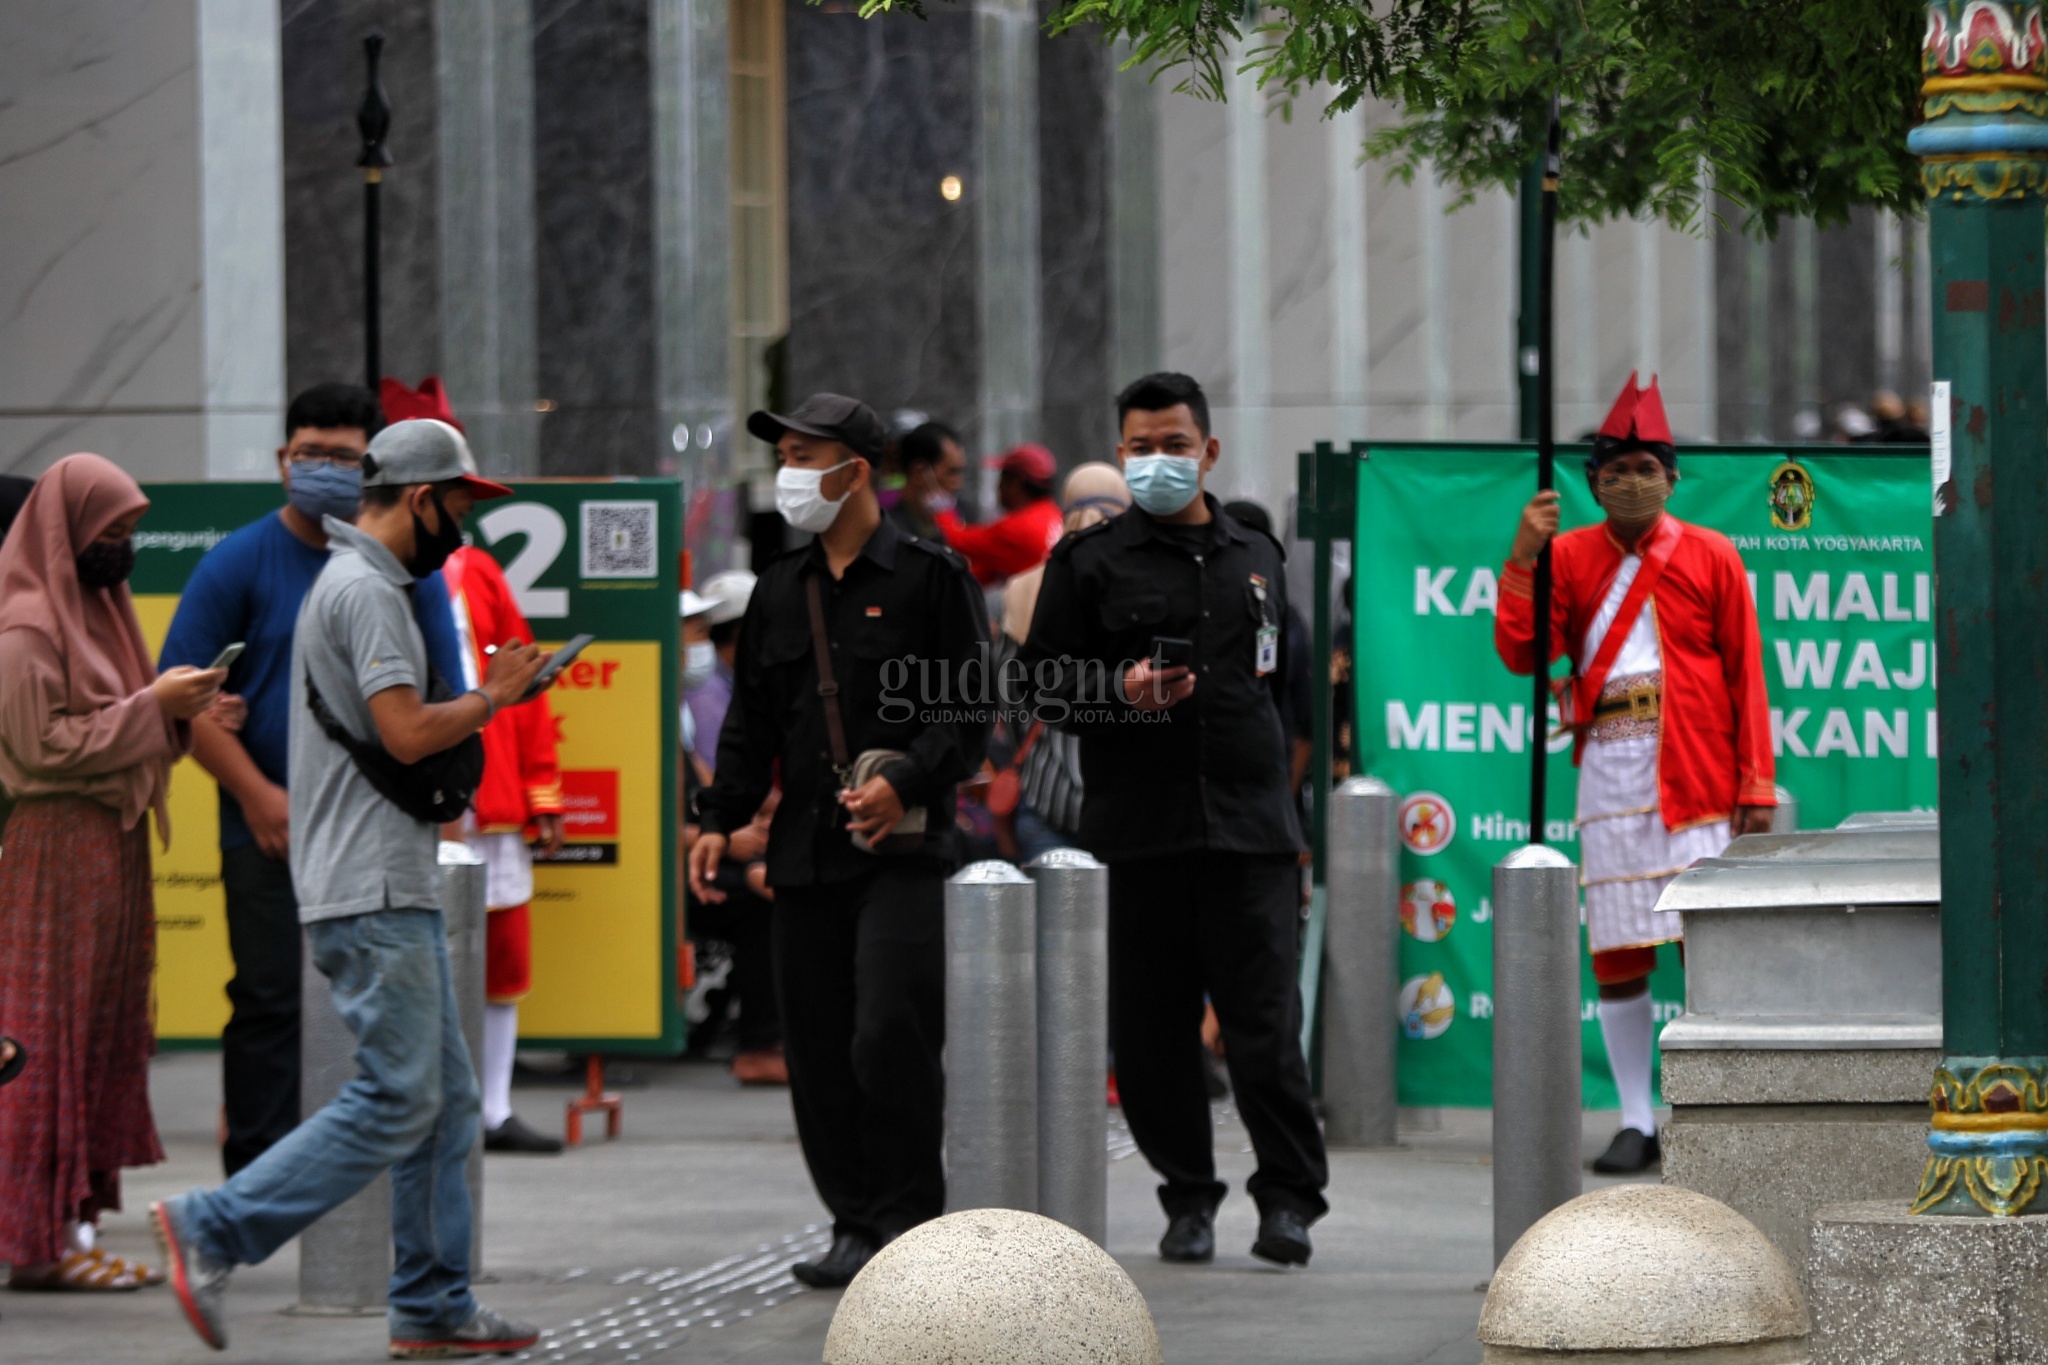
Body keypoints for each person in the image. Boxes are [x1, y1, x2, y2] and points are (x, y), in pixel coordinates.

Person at [152, 419, 547, 1357]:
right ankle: (215, 1223)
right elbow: (408, 733)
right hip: (368, 882)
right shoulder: (368, 589)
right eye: (459, 503)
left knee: (444, 1101)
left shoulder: (363, 580)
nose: (464, 523)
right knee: (404, 1095)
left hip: (376, 875)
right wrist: (500, 697)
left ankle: (433, 1304)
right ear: (421, 499)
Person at [1020, 372, 1328, 1268]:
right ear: (1121, 452)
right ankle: (1187, 1197)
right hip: (1138, 834)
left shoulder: (1257, 554)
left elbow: (1286, 689)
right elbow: (1039, 682)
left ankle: (1289, 1201)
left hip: (1252, 836)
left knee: (1264, 1025)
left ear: (1210, 450)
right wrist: (1116, 690)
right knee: (1151, 1035)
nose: (1159, 460)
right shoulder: (1088, 562)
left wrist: (1289, 808)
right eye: (1142, 446)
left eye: (1175, 444)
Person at [689, 392, 990, 1288]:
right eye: (780, 455)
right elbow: (750, 725)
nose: (787, 473)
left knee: (887, 1029)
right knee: (816, 1049)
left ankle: (906, 1223)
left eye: (803, 454)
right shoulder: (782, 586)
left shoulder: (933, 577)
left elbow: (969, 711)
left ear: (856, 470)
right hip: (804, 854)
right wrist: (718, 820)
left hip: (902, 853)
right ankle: (854, 1222)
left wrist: (903, 779)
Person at [158, 383, 469, 1177]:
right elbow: (180, 701)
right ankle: (256, 1171)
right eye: (309, 453)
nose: (323, 469)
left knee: (385, 1031)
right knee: (268, 1001)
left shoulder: (411, 573)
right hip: (266, 825)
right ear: (280, 460)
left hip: (375, 833)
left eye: (341, 456)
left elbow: (440, 699)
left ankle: (343, 1200)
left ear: (371, 470)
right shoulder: (237, 561)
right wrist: (258, 797)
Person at [1495, 372, 1775, 1175]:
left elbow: (1745, 671)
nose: (1630, 481)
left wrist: (1754, 781)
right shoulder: (1569, 555)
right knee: (1619, 952)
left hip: (1697, 768)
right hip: (1611, 770)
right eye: (1614, 470)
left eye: (1645, 467)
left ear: (1672, 476)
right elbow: (1522, 652)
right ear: (1591, 482)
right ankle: (1635, 1116)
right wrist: (1523, 555)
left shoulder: (1713, 554)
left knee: (1703, 948)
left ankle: (1708, 1108)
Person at [0, 455, 227, 1290]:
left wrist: (185, 710)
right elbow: (42, 748)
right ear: (65, 530)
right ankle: (34, 1243)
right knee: (42, 1042)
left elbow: (116, 719)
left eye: (132, 531)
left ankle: (71, 1227)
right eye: (112, 531)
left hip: (109, 841)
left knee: (94, 1038)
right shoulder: (26, 624)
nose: (123, 548)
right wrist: (150, 710)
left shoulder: (96, 611)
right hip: (57, 846)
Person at [443, 544, 568, 1155]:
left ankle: (493, 1110)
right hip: (410, 801)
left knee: (502, 958)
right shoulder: (362, 570)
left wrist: (542, 792)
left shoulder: (478, 571)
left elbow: (527, 684)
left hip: (487, 799)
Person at [995, 462, 1130, 862]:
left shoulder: (1023, 588)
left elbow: (1010, 698)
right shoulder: (1137, 587)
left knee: (1053, 922)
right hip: (1124, 806)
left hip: (1044, 796)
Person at [933, 443, 1064, 585]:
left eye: (1001, 478)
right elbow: (987, 572)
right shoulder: (1052, 513)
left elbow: (953, 539)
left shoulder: (1019, 528)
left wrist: (940, 504)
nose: (998, 486)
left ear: (1015, 484)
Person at [890, 421, 968, 542]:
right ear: (919, 473)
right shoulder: (888, 531)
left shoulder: (964, 518)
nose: (959, 483)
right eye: (952, 472)